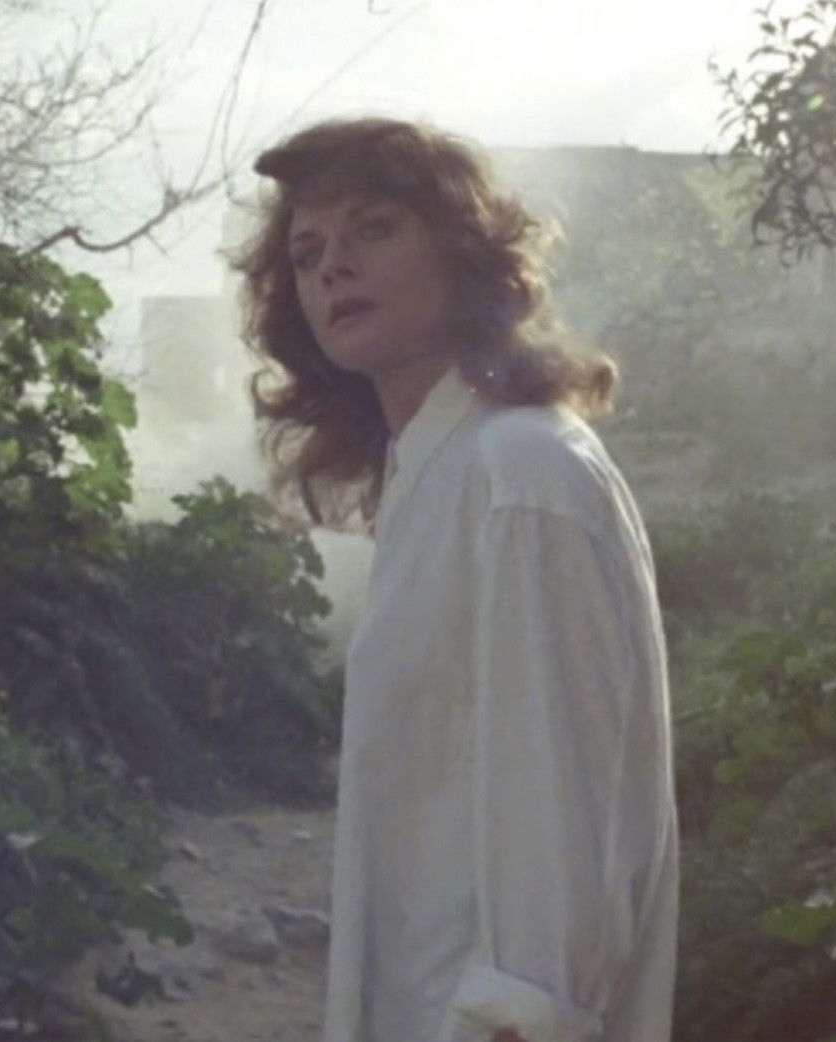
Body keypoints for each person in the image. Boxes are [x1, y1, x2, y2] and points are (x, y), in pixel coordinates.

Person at [233, 116, 678, 1042]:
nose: (333, 266)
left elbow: (567, 833)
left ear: (464, 253)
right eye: (308, 252)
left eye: (374, 228)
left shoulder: (523, 474)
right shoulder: (435, 474)